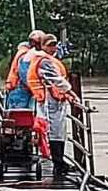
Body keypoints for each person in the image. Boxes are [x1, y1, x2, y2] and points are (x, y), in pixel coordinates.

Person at [27, 33, 80, 177]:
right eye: (49, 45)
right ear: (42, 46)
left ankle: (59, 161)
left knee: (59, 131)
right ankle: (58, 163)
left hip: (55, 100)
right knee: (53, 131)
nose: (53, 47)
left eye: (54, 44)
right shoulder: (43, 61)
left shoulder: (48, 59)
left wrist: (67, 95)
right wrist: (71, 92)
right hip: (48, 102)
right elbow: (56, 79)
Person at [4, 30, 44, 110]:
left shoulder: (24, 53)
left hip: (18, 91)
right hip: (20, 93)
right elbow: (26, 77)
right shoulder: (26, 56)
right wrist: (40, 89)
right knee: (20, 119)